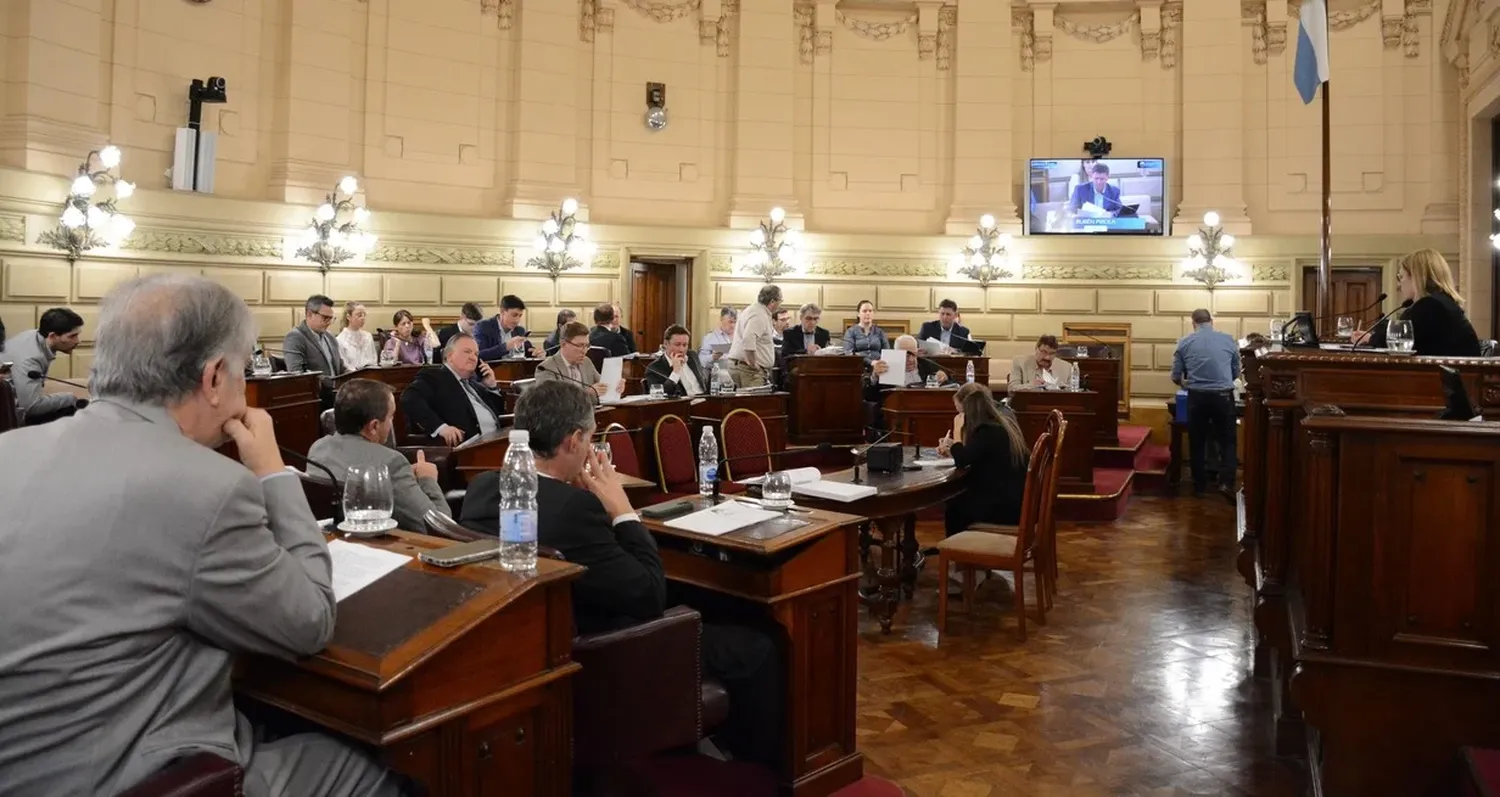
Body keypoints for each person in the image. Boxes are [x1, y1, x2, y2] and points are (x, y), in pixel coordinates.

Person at [0, 274, 406, 797]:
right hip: (130, 774)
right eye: (241, 373)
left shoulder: (10, 451)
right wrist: (273, 472)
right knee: (374, 770)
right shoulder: (206, 487)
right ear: (215, 377)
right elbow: (310, 621)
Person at [459, 381, 783, 769]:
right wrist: (621, 508)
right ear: (574, 440)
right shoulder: (575, 509)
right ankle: (759, 772)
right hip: (605, 653)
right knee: (758, 646)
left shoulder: (482, 488)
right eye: (592, 439)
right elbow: (649, 594)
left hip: (520, 650)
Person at [309, 378, 450, 532]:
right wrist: (427, 479)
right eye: (391, 416)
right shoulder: (391, 463)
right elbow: (440, 527)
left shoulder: (318, 449)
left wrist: (405, 478)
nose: (392, 423)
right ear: (374, 426)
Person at [937, 382, 1030, 537]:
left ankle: (960, 554)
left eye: (960, 414)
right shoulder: (998, 425)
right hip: (1015, 501)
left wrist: (958, 429)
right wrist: (953, 447)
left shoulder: (986, 432)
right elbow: (974, 453)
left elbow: (963, 460)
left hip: (1006, 509)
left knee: (954, 506)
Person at [1172, 309, 1241, 501]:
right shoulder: (1228, 340)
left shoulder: (1184, 342)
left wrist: (1187, 383)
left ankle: (1199, 485)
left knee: (1197, 441)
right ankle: (1226, 483)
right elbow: (1236, 371)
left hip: (1197, 397)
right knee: (1227, 441)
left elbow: (1176, 376)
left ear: (1193, 323)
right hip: (1223, 396)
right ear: (1212, 321)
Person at [1362, 249, 1481, 357]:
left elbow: (1396, 342)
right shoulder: (1442, 301)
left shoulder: (1430, 306)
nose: (1399, 285)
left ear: (1416, 277)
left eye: (1401, 277)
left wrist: (1370, 338)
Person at [399, 333, 505, 446]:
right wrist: (440, 428)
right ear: (449, 356)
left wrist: (492, 386)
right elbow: (409, 398)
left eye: (476, 354)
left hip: (498, 442)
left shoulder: (476, 386)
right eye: (467, 352)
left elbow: (499, 415)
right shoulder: (434, 376)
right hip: (469, 449)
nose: (473, 357)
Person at [4, 307, 85, 425]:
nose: (78, 341)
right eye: (72, 336)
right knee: (72, 413)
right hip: (8, 418)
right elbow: (31, 407)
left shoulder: (34, 336)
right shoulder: (30, 358)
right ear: (52, 336)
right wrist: (70, 397)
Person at [536, 321, 617, 399]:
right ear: (563, 344)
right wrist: (587, 394)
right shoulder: (546, 368)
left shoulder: (586, 362)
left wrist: (615, 386)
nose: (584, 351)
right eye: (580, 345)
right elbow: (552, 401)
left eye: (587, 345)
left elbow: (603, 384)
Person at [725, 284, 781, 388]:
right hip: (749, 372)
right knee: (753, 403)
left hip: (744, 368)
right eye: (780, 301)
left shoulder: (754, 310)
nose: (780, 304)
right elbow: (748, 338)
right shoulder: (759, 315)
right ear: (772, 301)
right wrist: (753, 364)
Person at [282, 294, 345, 377]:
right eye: (325, 318)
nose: (329, 323)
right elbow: (297, 374)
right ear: (309, 314)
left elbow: (340, 368)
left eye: (331, 318)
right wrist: (331, 382)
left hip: (337, 388)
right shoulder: (295, 337)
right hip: (315, 389)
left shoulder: (330, 337)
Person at [645, 324, 709, 398]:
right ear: (666, 344)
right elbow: (660, 397)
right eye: (677, 345)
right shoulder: (654, 368)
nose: (681, 349)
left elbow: (703, 384)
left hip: (705, 401)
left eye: (685, 345)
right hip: (683, 406)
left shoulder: (692, 356)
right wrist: (676, 371)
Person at [868, 334, 949, 389]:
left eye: (913, 354)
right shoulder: (886, 367)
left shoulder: (926, 364)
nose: (910, 360)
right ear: (896, 354)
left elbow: (953, 383)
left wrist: (944, 377)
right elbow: (870, 397)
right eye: (905, 356)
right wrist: (875, 377)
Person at [1008, 335, 1074, 394]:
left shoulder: (1067, 367)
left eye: (1052, 353)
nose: (1047, 357)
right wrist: (1032, 385)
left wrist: (1063, 389)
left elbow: (1073, 392)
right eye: (1044, 352)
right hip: (1027, 404)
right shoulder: (1020, 362)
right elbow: (1012, 389)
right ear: (1036, 349)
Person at [474, 295, 533, 360]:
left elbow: (527, 352)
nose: (517, 320)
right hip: (493, 369)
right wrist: (506, 347)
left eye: (520, 316)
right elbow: (478, 355)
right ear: (502, 312)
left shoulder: (520, 330)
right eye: (514, 315)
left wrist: (535, 353)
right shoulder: (483, 326)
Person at [336, 301, 378, 370]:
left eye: (364, 315)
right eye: (359, 315)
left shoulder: (368, 336)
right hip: (352, 377)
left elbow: (374, 360)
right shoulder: (340, 339)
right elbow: (345, 365)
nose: (363, 318)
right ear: (349, 317)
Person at [843, 299, 888, 363]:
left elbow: (887, 352)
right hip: (859, 366)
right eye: (864, 311)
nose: (868, 313)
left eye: (870, 311)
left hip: (879, 366)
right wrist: (870, 363)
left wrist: (880, 363)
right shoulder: (850, 332)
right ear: (858, 314)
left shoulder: (880, 332)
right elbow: (848, 353)